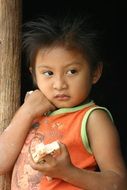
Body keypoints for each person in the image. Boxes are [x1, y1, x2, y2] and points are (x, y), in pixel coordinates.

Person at [0, 15, 127, 190]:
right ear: (34, 75)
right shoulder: (30, 112)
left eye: (72, 71)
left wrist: (67, 172)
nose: (59, 84)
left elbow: (118, 183)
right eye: (48, 73)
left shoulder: (92, 119)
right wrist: (26, 112)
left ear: (95, 72)